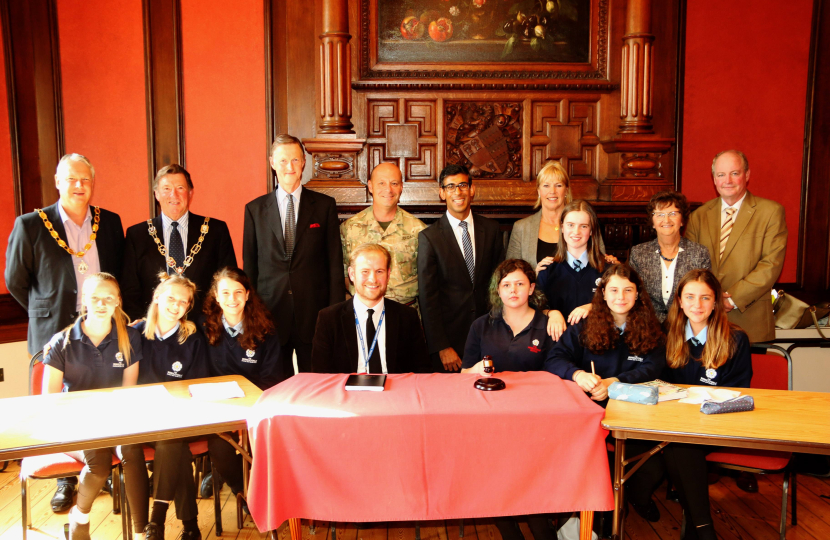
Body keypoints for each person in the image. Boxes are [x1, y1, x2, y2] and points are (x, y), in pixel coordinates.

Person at [4, 153, 125, 513]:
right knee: (60, 405)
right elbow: (15, 281)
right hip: (55, 329)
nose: (79, 186)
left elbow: (118, 273)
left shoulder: (111, 222)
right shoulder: (31, 225)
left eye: (85, 180)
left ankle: (105, 465)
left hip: (102, 329)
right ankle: (65, 480)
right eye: (71, 179)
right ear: (58, 183)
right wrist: (49, 307)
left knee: (105, 399)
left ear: (93, 183)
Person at [40, 273, 147, 539]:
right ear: (84, 300)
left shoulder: (130, 338)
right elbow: (49, 402)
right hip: (75, 425)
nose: (101, 303)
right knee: (99, 465)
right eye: (95, 298)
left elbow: (128, 391)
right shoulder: (61, 342)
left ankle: (142, 531)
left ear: (117, 302)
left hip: (115, 421)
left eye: (108, 298)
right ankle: (79, 518)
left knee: (133, 451)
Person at [243, 134, 345, 373]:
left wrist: (334, 314)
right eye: (283, 161)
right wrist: (252, 314)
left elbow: (334, 265)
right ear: (272, 163)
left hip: (315, 315)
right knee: (277, 387)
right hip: (271, 315)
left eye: (295, 160)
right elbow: (250, 269)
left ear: (303, 163)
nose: (289, 167)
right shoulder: (255, 210)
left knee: (317, 388)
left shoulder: (324, 206)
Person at [662, 268, 752, 540]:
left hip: (716, 425)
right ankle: (702, 528)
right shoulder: (666, 335)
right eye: (690, 297)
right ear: (679, 301)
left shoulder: (736, 339)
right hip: (674, 424)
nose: (697, 305)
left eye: (705, 298)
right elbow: (658, 385)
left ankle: (701, 527)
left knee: (682, 445)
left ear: (716, 302)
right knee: (680, 443)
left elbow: (740, 393)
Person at [201, 267, 292, 502]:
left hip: (254, 408)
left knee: (258, 442)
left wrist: (246, 420)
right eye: (226, 293)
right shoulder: (202, 329)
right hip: (215, 411)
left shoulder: (266, 330)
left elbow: (271, 380)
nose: (232, 299)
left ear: (248, 294)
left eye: (238, 292)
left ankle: (265, 494)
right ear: (216, 296)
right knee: (220, 447)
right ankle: (244, 494)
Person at [133, 274, 208, 540]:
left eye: (183, 302)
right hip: (144, 420)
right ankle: (190, 526)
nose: (176, 305)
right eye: (170, 298)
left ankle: (157, 522)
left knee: (172, 440)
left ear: (188, 308)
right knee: (175, 449)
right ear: (157, 297)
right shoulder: (135, 333)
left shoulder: (193, 338)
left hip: (183, 418)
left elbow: (197, 388)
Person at [685, 149, 787, 344]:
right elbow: (691, 265)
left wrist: (731, 299)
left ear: (747, 175)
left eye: (735, 173)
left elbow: (771, 265)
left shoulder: (771, 212)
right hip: (705, 320)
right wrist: (711, 298)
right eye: (721, 175)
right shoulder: (699, 216)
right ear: (714, 179)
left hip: (750, 321)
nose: (728, 180)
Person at [417, 164, 505, 373]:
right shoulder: (430, 237)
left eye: (463, 185)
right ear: (442, 193)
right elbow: (427, 298)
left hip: (489, 336)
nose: (458, 192)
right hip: (450, 344)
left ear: (472, 190)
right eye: (450, 187)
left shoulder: (492, 230)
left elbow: (500, 284)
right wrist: (441, 346)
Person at [121, 164, 237, 320]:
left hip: (205, 330)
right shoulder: (137, 235)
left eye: (180, 188)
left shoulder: (215, 230)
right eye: (167, 189)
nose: (173, 195)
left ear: (190, 193)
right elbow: (130, 290)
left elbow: (227, 282)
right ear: (156, 194)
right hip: (155, 331)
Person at [543, 263, 665, 400]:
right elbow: (554, 359)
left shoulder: (652, 328)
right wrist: (578, 375)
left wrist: (613, 383)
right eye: (614, 290)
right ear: (603, 293)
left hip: (634, 408)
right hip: (589, 405)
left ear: (637, 294)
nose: (621, 297)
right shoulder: (582, 327)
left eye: (628, 290)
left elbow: (653, 368)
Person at [311, 243, 429, 374]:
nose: (373, 279)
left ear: (388, 274)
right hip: (347, 391)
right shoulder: (329, 318)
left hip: (395, 390)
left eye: (379, 271)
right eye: (365, 272)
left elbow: (422, 370)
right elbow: (320, 374)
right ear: (351, 274)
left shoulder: (407, 316)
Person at [340, 163, 427, 311]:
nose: (388, 189)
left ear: (401, 187)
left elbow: (427, 279)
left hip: (405, 314)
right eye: (381, 183)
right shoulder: (349, 229)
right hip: (362, 315)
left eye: (394, 183)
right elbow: (342, 274)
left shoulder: (419, 230)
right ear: (370, 186)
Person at [629, 191, 711, 323]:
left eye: (673, 214)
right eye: (660, 214)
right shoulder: (639, 253)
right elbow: (634, 295)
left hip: (687, 325)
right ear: (652, 222)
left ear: (682, 220)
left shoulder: (699, 253)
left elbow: (704, 294)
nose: (666, 220)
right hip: (648, 327)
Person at [462, 258, 553, 374]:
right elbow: (464, 373)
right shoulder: (480, 325)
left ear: (531, 288)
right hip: (491, 391)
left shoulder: (548, 326)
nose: (513, 290)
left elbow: (555, 370)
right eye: (506, 285)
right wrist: (477, 369)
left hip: (532, 391)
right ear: (498, 291)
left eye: (519, 284)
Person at [536, 200, 606, 341]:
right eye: (570, 225)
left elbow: (621, 307)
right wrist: (551, 313)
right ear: (562, 228)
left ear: (592, 230)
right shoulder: (547, 270)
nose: (576, 232)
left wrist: (594, 307)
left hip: (597, 345)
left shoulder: (608, 269)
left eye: (583, 226)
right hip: (558, 346)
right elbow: (533, 309)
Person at [506, 161, 572, 271]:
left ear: (566, 190)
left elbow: (596, 265)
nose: (552, 191)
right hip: (535, 288)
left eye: (558, 185)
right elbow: (510, 273)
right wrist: (535, 276)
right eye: (546, 185)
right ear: (539, 191)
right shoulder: (521, 227)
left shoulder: (584, 224)